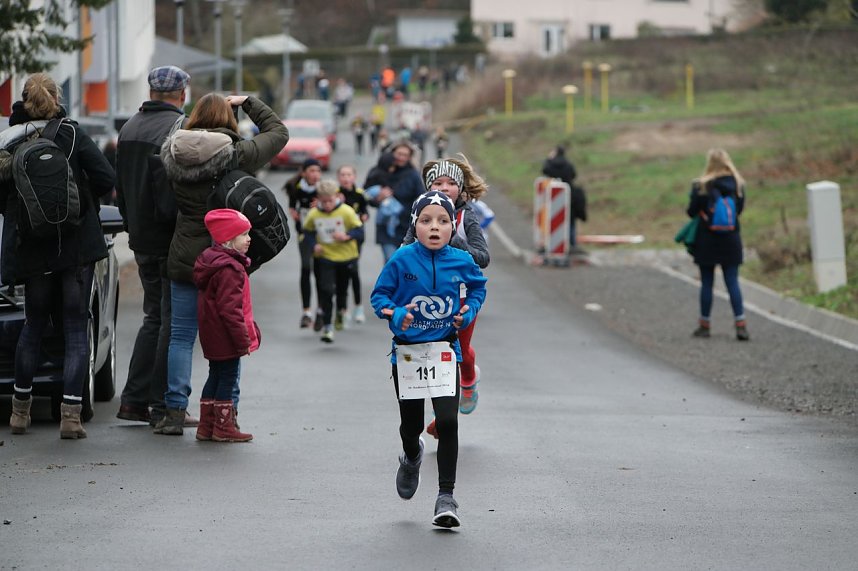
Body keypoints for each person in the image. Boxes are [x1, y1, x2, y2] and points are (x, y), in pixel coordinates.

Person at [154, 93, 288, 435]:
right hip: (226, 257)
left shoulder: (172, 152)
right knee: (230, 334)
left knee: (181, 337)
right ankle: (228, 415)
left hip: (185, 256)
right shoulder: (236, 154)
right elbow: (278, 132)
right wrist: (249, 103)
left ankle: (173, 411)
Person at [0, 73, 115, 438]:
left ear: (24, 100)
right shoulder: (72, 134)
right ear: (56, 98)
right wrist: (80, 203)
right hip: (75, 248)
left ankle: (20, 413)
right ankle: (69, 417)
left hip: (33, 251)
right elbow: (105, 177)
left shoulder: (9, 141)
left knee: (32, 329)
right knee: (76, 331)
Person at [370, 191, 487, 528]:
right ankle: (411, 454)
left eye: (443, 221)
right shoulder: (402, 259)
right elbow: (380, 296)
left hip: (444, 350)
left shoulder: (462, 261)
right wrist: (397, 315)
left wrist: (468, 312)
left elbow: (478, 288)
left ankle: (446, 497)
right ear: (415, 225)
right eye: (426, 221)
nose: (434, 227)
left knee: (448, 421)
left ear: (453, 227)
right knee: (411, 426)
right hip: (408, 354)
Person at [114, 65, 193, 428]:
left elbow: (120, 188)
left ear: (150, 91)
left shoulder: (129, 127)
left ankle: (133, 399)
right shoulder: (178, 128)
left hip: (141, 239)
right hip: (167, 239)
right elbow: (171, 192)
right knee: (170, 323)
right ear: (182, 93)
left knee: (154, 317)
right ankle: (160, 404)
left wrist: (131, 226)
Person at [401, 156, 490, 437]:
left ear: (461, 190)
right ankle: (441, 412)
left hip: (461, 300)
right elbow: (402, 253)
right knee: (429, 360)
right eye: (437, 182)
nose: (444, 188)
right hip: (425, 301)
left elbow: (483, 258)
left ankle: (467, 379)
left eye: (451, 183)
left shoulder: (467, 217)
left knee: (456, 354)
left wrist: (453, 239)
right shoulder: (421, 215)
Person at [192, 209, 258, 442]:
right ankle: (223, 427)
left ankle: (205, 426)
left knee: (215, 374)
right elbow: (231, 310)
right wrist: (242, 341)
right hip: (225, 333)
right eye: (243, 235)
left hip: (211, 331)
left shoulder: (211, 261)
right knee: (228, 377)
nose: (249, 239)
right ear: (228, 240)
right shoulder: (230, 269)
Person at [686, 148, 749, 341]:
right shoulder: (738, 185)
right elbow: (738, 211)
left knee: (707, 283)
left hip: (707, 240)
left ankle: (704, 325)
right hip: (731, 240)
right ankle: (741, 325)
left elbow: (691, 211)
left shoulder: (701, 186)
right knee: (732, 281)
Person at [301, 180, 364, 342]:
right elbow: (307, 232)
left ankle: (340, 312)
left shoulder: (346, 212)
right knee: (327, 291)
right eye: (324, 201)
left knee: (342, 291)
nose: (328, 205)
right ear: (319, 199)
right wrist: (314, 245)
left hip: (346, 257)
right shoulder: (314, 214)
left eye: (330, 201)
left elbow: (359, 231)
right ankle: (327, 327)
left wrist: (347, 236)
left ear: (336, 197)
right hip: (325, 258)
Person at [366, 140, 423, 262]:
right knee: (390, 260)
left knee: (405, 263)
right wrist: (378, 198)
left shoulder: (413, 175)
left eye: (405, 155)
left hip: (405, 225)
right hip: (385, 224)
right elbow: (366, 197)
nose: (401, 158)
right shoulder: (379, 171)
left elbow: (421, 199)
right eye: (399, 154)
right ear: (392, 154)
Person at [283, 158, 323, 330]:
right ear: (304, 172)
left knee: (321, 271)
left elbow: (337, 205)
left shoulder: (324, 189)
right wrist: (294, 213)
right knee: (306, 268)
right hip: (305, 235)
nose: (315, 175)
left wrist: (322, 205)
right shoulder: (295, 188)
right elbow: (292, 207)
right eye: (312, 171)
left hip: (322, 237)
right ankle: (306, 312)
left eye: (318, 171)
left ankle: (321, 310)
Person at [336, 165, 369, 324]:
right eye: (342, 175)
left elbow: (365, 212)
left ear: (354, 177)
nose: (346, 178)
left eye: (349, 174)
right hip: (337, 238)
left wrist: (363, 217)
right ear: (338, 178)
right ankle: (343, 309)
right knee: (341, 274)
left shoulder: (359, 194)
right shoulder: (335, 194)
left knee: (353, 271)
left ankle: (358, 306)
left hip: (355, 237)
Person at [541, 145, 585, 249]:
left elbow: (544, 170)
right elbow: (574, 175)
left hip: (552, 195)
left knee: (552, 220)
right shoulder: (568, 164)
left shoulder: (550, 164)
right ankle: (572, 244)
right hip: (569, 193)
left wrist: (548, 159)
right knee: (570, 220)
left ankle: (551, 244)